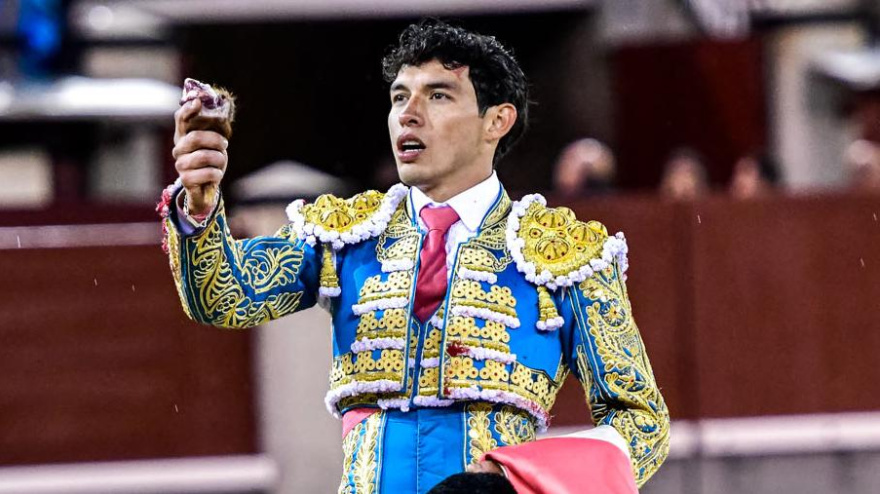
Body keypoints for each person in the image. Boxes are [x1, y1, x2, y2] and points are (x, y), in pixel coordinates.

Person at [160, 20, 669, 494]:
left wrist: (520, 480)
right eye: (399, 97)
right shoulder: (346, 235)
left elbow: (642, 421)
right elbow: (222, 298)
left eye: (438, 96)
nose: (408, 113)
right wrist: (200, 208)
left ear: (497, 121)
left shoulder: (563, 255)